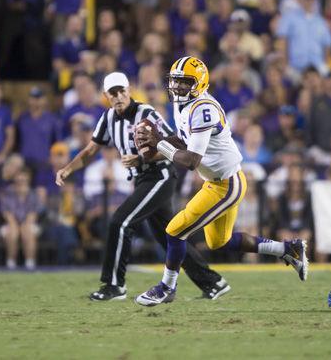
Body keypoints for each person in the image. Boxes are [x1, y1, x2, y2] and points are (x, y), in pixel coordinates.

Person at [134, 56, 308, 306]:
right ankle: (288, 249)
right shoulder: (184, 105)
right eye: (175, 82)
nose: (178, 88)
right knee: (218, 241)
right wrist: (158, 142)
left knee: (174, 230)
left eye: (185, 83)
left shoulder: (203, 109)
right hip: (218, 182)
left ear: (200, 84)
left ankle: (166, 288)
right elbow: (184, 142)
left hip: (226, 184)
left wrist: (158, 143)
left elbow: (192, 160)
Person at [56, 72, 229, 301]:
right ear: (106, 96)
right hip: (142, 181)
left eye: (121, 91)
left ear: (129, 90)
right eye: (113, 93)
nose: (118, 96)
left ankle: (114, 285)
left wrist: (141, 159)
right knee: (170, 237)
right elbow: (91, 150)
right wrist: (68, 169)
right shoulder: (108, 118)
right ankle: (213, 282)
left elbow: (175, 144)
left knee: (120, 221)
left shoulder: (145, 113)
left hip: (160, 176)